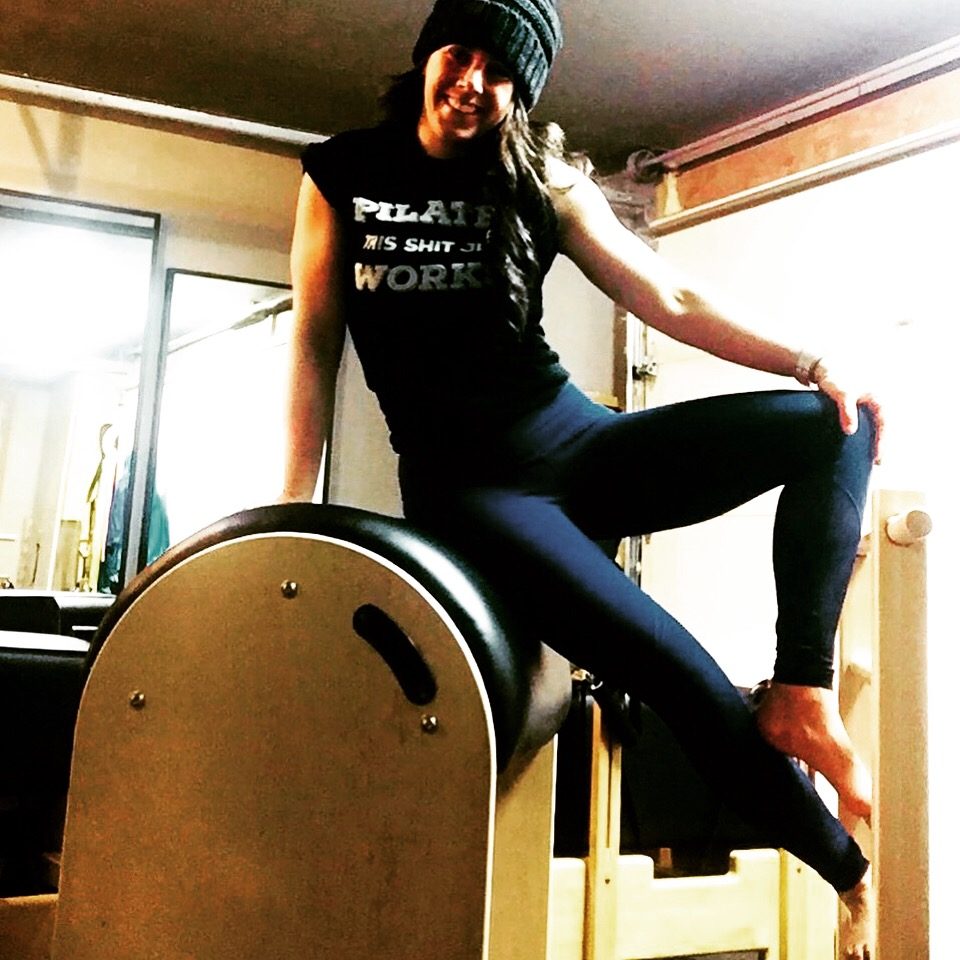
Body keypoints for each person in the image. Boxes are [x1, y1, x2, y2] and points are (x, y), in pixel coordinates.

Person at [280, 1, 880, 956]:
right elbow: (315, 347)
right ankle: (850, 875)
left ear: (521, 91)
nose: (474, 83)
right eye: (461, 54)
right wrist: (292, 508)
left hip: (578, 443)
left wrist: (811, 361)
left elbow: (667, 294)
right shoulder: (341, 174)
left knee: (838, 422)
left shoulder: (541, 179)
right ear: (429, 53)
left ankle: (800, 690)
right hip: (477, 496)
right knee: (681, 675)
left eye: (502, 72)